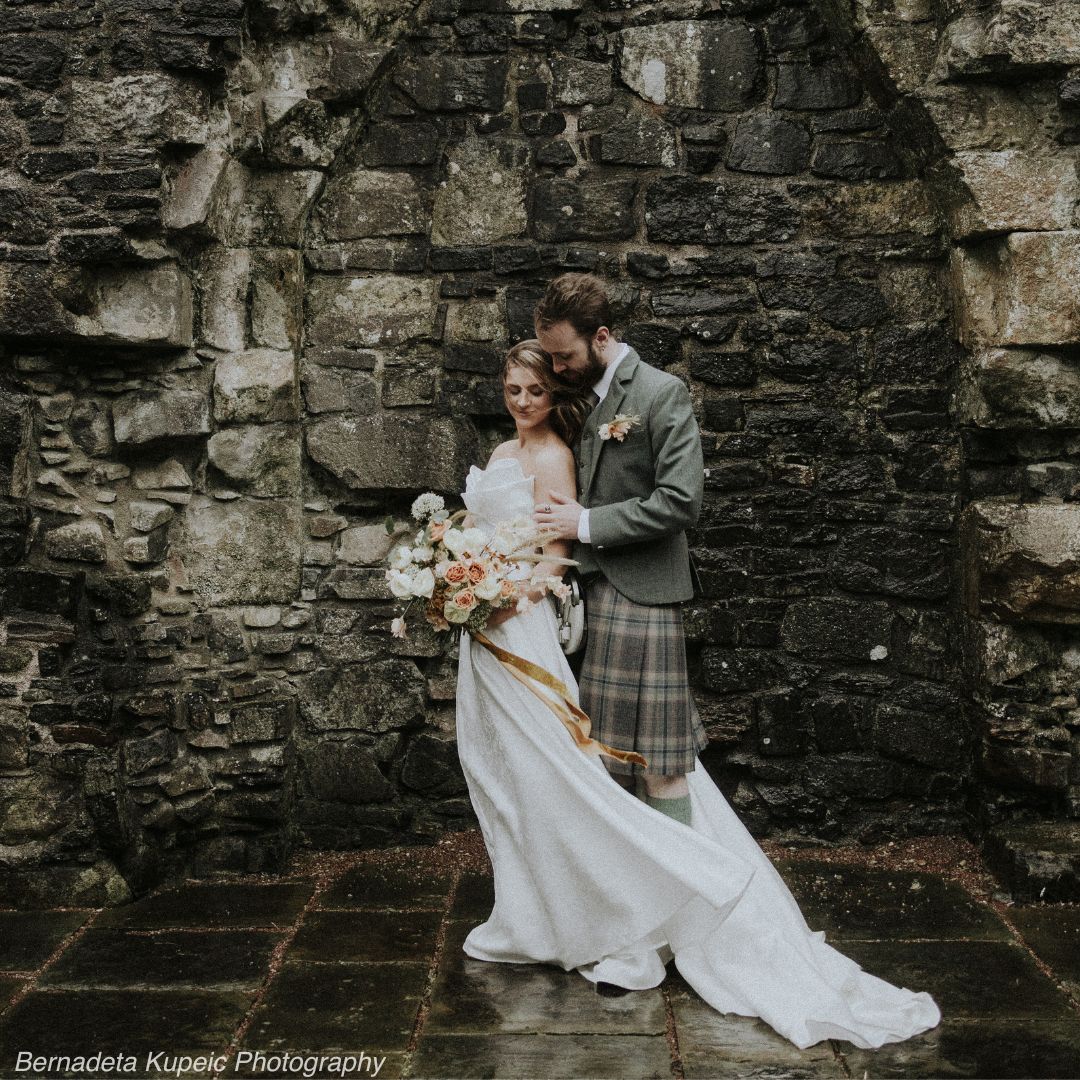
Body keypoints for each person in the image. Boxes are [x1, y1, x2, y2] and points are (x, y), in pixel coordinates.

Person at [452, 326, 941, 1051]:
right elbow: (496, 529)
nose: (535, 388)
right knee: (577, 767)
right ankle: (592, 909)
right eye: (520, 384)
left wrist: (542, 557)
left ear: (592, 345)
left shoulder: (651, 398)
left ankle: (680, 899)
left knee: (656, 759)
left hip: (600, 602)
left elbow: (670, 505)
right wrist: (460, 572)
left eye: (549, 374)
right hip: (529, 620)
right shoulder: (543, 433)